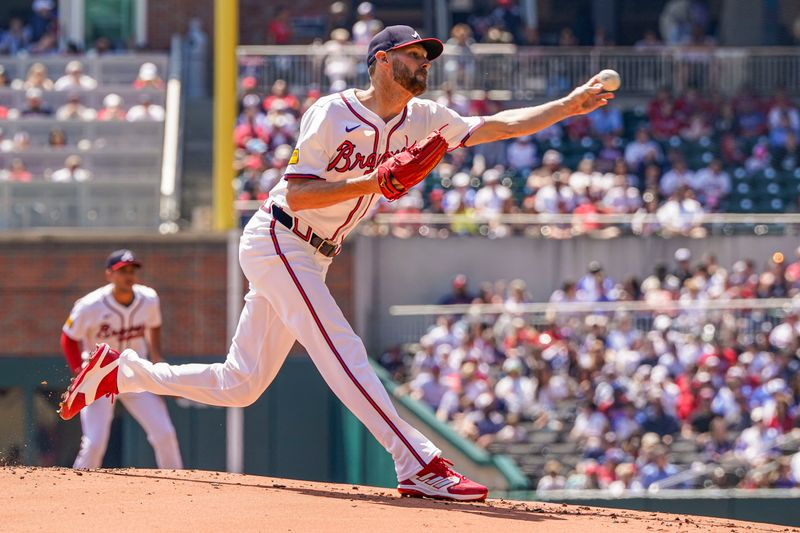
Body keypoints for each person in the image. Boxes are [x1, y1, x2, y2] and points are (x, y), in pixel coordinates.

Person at [60, 25, 612, 502]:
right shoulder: (332, 112)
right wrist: (375, 180)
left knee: (240, 384)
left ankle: (122, 370)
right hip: (279, 237)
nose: (422, 65)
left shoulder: (425, 118)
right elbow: (297, 195)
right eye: (413, 56)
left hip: (315, 256)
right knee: (342, 347)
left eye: (425, 58)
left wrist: (567, 107)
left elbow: (496, 126)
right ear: (381, 61)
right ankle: (417, 464)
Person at [60, 250, 183, 470]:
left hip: (134, 373)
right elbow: (68, 338)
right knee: (94, 443)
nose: (129, 275)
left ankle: (180, 484)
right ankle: (76, 486)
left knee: (164, 433)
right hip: (98, 376)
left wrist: (157, 359)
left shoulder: (149, 299)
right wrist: (79, 371)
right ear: (109, 275)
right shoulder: (90, 305)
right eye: (123, 270)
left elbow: (154, 325)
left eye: (132, 270)